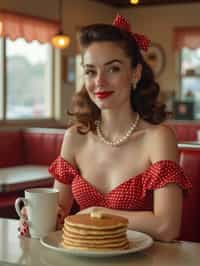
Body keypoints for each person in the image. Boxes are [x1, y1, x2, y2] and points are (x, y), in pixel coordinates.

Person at [19, 15, 191, 241]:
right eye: (90, 71)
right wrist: (36, 216)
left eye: (113, 69)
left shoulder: (158, 137)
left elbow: (167, 228)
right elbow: (58, 214)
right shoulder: (74, 137)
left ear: (135, 74)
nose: (99, 81)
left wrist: (98, 214)